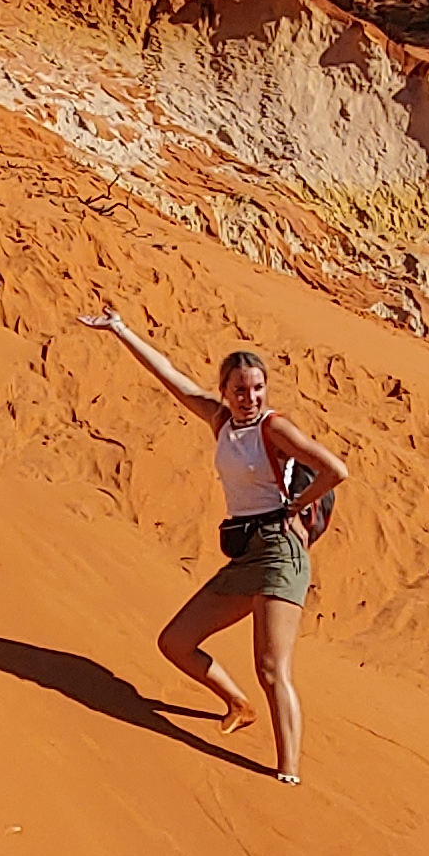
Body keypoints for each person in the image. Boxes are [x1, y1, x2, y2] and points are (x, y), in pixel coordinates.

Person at [79, 311, 350, 783]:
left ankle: (287, 775)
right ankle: (236, 704)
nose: (250, 398)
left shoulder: (274, 429)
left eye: (257, 388)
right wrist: (120, 329)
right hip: (245, 553)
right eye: (241, 389)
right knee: (176, 642)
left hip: (280, 552)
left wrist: (295, 507)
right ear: (225, 390)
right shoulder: (221, 420)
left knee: (271, 667)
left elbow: (335, 470)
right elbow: (169, 376)